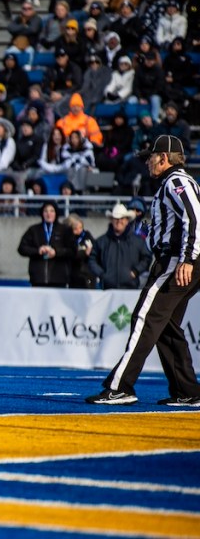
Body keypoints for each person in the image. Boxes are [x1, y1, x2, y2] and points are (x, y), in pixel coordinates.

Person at [88, 136, 200, 406]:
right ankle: (187, 391)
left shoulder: (176, 182)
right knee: (166, 325)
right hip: (178, 258)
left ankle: (120, 386)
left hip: (177, 260)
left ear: (164, 158)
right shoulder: (175, 182)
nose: (148, 162)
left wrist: (187, 258)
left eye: (152, 157)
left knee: (144, 317)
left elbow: (195, 218)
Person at [88, 203, 153, 290]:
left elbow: (147, 258)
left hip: (130, 289)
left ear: (127, 220)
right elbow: (92, 259)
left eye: (122, 218)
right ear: (111, 220)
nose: (119, 221)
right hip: (108, 290)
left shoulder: (138, 241)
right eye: (116, 218)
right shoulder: (101, 241)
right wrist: (102, 274)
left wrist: (135, 271)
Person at [17, 201, 76, 287]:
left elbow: (72, 250)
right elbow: (22, 248)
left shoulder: (65, 230)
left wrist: (56, 252)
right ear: (42, 213)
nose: (49, 214)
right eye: (46, 211)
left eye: (52, 211)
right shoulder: (33, 230)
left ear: (56, 213)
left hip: (59, 278)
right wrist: (38, 251)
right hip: (38, 278)